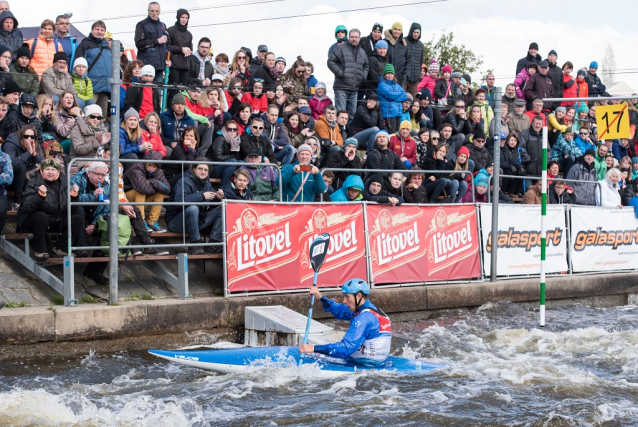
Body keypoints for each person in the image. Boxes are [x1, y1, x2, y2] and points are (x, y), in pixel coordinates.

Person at [73, 161, 166, 284]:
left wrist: (96, 222)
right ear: (89, 173)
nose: (100, 177)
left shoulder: (107, 182)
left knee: (126, 214)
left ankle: (146, 242)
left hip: (95, 218)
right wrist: (93, 195)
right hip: (77, 218)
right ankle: (133, 246)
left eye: (103, 174)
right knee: (109, 225)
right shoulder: (78, 179)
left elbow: (107, 205)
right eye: (97, 174)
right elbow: (73, 200)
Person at [299, 278, 392, 367]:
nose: (344, 301)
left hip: (365, 365)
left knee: (313, 356)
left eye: (347, 297)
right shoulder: (369, 310)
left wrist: (313, 348)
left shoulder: (364, 318)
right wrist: (320, 297)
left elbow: (346, 348)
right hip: (376, 361)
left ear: (359, 296)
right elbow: (340, 310)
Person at [17, 158, 87, 259]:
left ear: (58, 172)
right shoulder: (34, 182)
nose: (50, 172)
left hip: (55, 218)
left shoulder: (65, 183)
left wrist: (74, 197)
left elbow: (71, 209)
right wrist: (39, 196)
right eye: (47, 169)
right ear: (41, 171)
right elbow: (27, 207)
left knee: (77, 219)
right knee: (40, 216)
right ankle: (40, 250)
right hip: (32, 219)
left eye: (53, 170)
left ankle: (61, 248)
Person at [165, 159, 224, 255]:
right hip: (176, 222)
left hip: (198, 221)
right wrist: (202, 196)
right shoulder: (184, 181)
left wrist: (218, 198)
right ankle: (194, 245)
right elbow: (179, 201)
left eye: (205, 170)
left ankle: (213, 244)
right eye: (200, 169)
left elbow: (212, 200)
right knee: (193, 208)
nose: (203, 172)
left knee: (222, 208)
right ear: (193, 169)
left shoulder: (206, 183)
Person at [123, 150, 170, 232]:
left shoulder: (159, 172)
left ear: (158, 167)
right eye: (149, 165)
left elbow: (167, 189)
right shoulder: (136, 168)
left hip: (141, 201)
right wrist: (156, 187)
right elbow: (143, 188)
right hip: (126, 199)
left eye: (154, 167)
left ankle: (152, 222)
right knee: (141, 192)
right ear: (146, 162)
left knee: (160, 194)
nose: (151, 169)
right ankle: (141, 222)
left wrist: (153, 182)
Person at [327, 28, 369, 118]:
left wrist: (363, 76)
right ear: (349, 37)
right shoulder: (340, 48)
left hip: (354, 89)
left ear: (359, 38)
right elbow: (330, 61)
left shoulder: (362, 51)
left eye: (356, 37)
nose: (354, 39)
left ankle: (350, 132)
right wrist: (341, 73)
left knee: (352, 115)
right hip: (341, 87)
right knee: (341, 114)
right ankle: (340, 132)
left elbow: (366, 65)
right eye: (352, 37)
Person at [75, 21, 112, 116]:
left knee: (102, 115)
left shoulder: (107, 48)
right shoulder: (85, 45)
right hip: (91, 87)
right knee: (90, 113)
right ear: (92, 30)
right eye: (97, 29)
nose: (99, 32)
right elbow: (78, 63)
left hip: (105, 87)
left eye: (102, 30)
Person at [4, 124, 43, 210]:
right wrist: (28, 153)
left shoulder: (35, 145)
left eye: (32, 137)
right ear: (21, 137)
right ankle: (17, 202)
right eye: (26, 136)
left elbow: (43, 162)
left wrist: (34, 154)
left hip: (28, 181)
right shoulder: (11, 144)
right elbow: (10, 164)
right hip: (11, 180)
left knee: (43, 171)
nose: (30, 139)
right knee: (21, 166)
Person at [135, 2, 170, 84]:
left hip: (159, 68)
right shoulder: (142, 25)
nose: (154, 13)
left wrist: (167, 59)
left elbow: (167, 45)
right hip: (146, 67)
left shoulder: (163, 25)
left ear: (160, 11)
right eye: (152, 11)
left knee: (157, 95)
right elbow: (139, 44)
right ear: (148, 11)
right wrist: (157, 41)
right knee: (145, 93)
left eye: (157, 11)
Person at [377, 64, 407, 134]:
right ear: (385, 75)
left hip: (398, 113)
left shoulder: (396, 84)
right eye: (388, 74)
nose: (390, 75)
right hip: (389, 114)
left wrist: (393, 99)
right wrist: (397, 96)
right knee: (392, 134)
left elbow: (404, 95)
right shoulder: (381, 84)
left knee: (397, 134)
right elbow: (390, 95)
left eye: (391, 74)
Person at [210, 120, 242, 185]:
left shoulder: (237, 140)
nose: (232, 131)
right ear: (225, 130)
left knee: (242, 163)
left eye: (235, 129)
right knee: (233, 161)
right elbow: (218, 157)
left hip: (228, 166)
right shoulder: (220, 139)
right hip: (215, 167)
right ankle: (223, 186)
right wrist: (233, 157)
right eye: (229, 129)